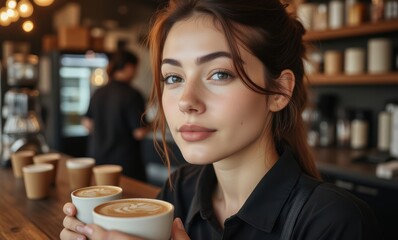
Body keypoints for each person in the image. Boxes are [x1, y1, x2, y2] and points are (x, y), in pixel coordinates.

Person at [61, 0, 382, 239]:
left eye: (219, 73)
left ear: (279, 91)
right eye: (173, 77)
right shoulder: (180, 191)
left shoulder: (333, 222)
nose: (186, 101)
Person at [81, 49, 148, 182]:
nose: (136, 72)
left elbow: (87, 124)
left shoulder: (99, 92)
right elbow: (139, 133)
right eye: (136, 68)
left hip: (99, 161)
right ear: (129, 67)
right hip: (125, 166)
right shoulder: (132, 94)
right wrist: (157, 123)